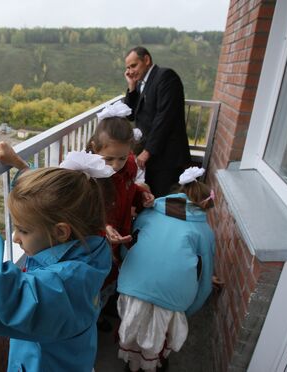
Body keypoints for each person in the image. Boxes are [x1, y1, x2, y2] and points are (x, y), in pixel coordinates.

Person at [0, 149, 113, 372]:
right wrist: (19, 165)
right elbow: (50, 201)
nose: (15, 238)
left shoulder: (66, 283)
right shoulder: (92, 249)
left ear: (61, 232)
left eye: (23, 230)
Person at [116, 167, 216, 372]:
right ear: (203, 207)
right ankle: (155, 364)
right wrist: (184, 310)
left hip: (132, 287)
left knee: (134, 327)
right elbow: (205, 283)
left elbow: (129, 249)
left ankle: (132, 363)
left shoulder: (150, 212)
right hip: (173, 299)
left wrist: (127, 278)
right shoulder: (203, 232)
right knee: (159, 336)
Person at [86, 101, 155, 330]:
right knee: (98, 280)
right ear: (95, 148)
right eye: (109, 159)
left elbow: (130, 189)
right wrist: (103, 227)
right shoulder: (87, 177)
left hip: (120, 236)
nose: (116, 165)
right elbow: (83, 211)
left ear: (130, 152)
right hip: (96, 242)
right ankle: (94, 319)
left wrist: (141, 196)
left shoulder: (130, 167)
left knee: (114, 275)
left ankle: (105, 308)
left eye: (122, 158)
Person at [123, 46, 191, 197]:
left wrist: (147, 152)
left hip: (167, 158)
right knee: (151, 197)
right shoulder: (142, 83)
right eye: (128, 68)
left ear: (146, 60)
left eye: (133, 65)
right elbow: (130, 115)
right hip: (154, 157)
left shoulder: (166, 76)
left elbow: (165, 118)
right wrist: (131, 86)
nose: (130, 71)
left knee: (164, 201)